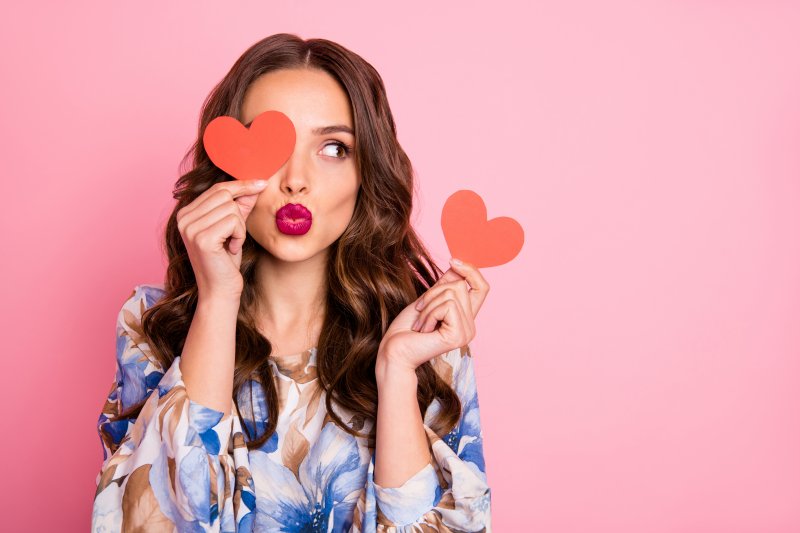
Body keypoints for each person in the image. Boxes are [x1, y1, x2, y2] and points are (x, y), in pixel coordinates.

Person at [91, 33, 492, 532]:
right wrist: (217, 300)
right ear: (227, 163)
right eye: (272, 144)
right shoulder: (152, 329)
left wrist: (396, 372)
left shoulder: (427, 340)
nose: (296, 180)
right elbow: (152, 523)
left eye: (333, 148)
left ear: (366, 171)